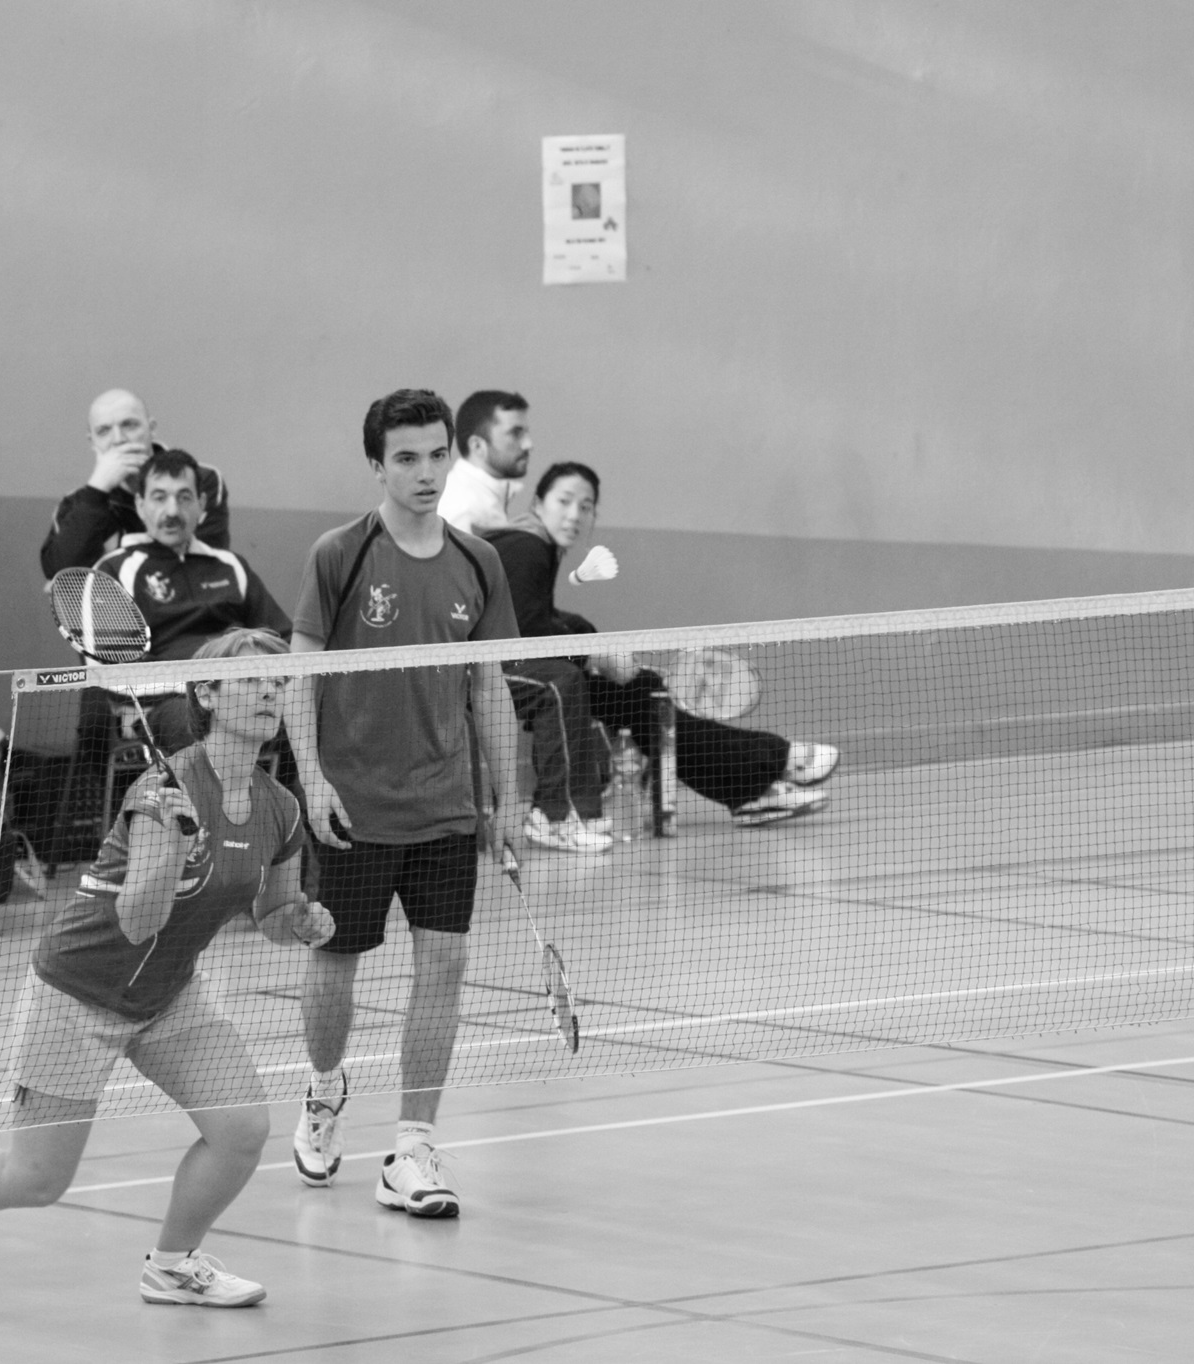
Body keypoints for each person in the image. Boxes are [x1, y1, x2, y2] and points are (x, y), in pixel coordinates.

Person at [0, 628, 333, 1307]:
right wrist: (175, 852)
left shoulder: (280, 808)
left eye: (278, 683)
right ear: (207, 695)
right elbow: (137, 920)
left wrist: (302, 922)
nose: (269, 694)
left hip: (167, 997)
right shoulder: (160, 793)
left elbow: (274, 913)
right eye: (251, 680)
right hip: (77, 993)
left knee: (242, 1131)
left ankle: (172, 1266)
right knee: (35, 1180)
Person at [286, 388, 523, 1219]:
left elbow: (489, 685)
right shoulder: (340, 555)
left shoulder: (478, 563)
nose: (426, 473)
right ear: (377, 466)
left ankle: (414, 1146)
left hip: (445, 806)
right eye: (407, 458)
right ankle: (323, 1089)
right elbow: (299, 675)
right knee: (334, 967)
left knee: (444, 967)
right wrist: (313, 779)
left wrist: (508, 796)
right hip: (353, 807)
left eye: (436, 454)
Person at [485, 462, 839, 830]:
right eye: (564, 501)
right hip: (496, 677)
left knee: (643, 694)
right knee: (641, 697)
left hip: (524, 672)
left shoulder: (531, 546)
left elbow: (530, 612)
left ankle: (752, 790)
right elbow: (525, 628)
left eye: (585, 507)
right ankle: (770, 765)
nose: (574, 514)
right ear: (538, 504)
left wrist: (583, 632)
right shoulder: (526, 546)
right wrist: (593, 654)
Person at [90, 446, 291, 752]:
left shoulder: (232, 566)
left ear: (202, 504)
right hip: (168, 706)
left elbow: (283, 641)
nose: (172, 511)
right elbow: (116, 669)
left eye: (184, 497)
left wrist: (255, 684)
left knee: (305, 717)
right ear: (141, 505)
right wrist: (205, 684)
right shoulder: (114, 570)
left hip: (246, 693)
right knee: (199, 727)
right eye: (159, 498)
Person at [39, 389, 230, 576]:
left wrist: (109, 570)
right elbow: (61, 575)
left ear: (151, 429)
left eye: (129, 425)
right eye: (104, 431)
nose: (118, 440)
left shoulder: (201, 480)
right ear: (92, 442)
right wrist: (97, 491)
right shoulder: (78, 504)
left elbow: (202, 564)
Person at [437, 390, 532, 536]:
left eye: (526, 433)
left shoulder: (479, 497)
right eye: (515, 433)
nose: (528, 444)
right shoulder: (463, 508)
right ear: (477, 446)